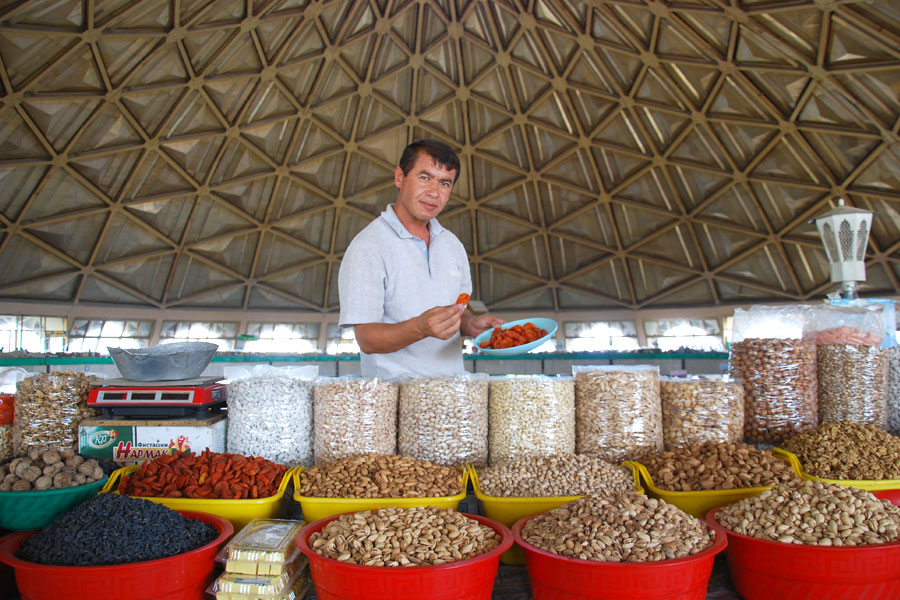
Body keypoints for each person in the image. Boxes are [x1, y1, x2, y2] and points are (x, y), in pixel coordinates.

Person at [338, 139, 504, 378]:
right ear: (399, 177)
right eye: (424, 178)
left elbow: (457, 310)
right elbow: (367, 339)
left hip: (451, 393)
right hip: (393, 397)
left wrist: (470, 324)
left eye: (444, 183)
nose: (433, 193)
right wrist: (420, 327)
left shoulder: (452, 245)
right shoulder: (368, 246)